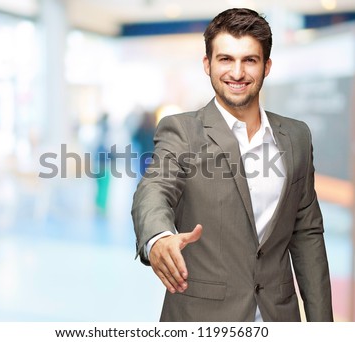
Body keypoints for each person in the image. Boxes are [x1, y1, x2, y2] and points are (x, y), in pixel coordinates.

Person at [131, 8, 333, 322]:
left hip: (277, 317)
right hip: (202, 318)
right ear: (207, 64)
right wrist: (158, 238)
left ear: (266, 66)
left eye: (249, 60)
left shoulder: (296, 136)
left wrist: (324, 327)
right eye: (225, 59)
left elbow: (306, 233)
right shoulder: (182, 131)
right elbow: (153, 190)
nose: (237, 73)